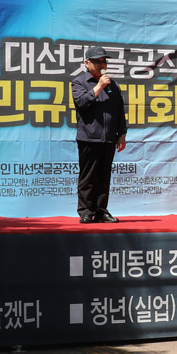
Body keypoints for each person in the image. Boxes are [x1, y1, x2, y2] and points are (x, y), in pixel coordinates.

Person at [71, 44, 127, 222]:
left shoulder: (113, 85)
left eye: (104, 61)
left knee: (104, 177)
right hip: (89, 137)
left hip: (109, 138)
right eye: (97, 61)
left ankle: (102, 211)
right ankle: (86, 211)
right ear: (87, 63)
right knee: (88, 177)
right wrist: (98, 87)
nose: (102, 65)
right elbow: (81, 103)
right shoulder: (80, 82)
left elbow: (119, 111)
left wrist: (122, 133)